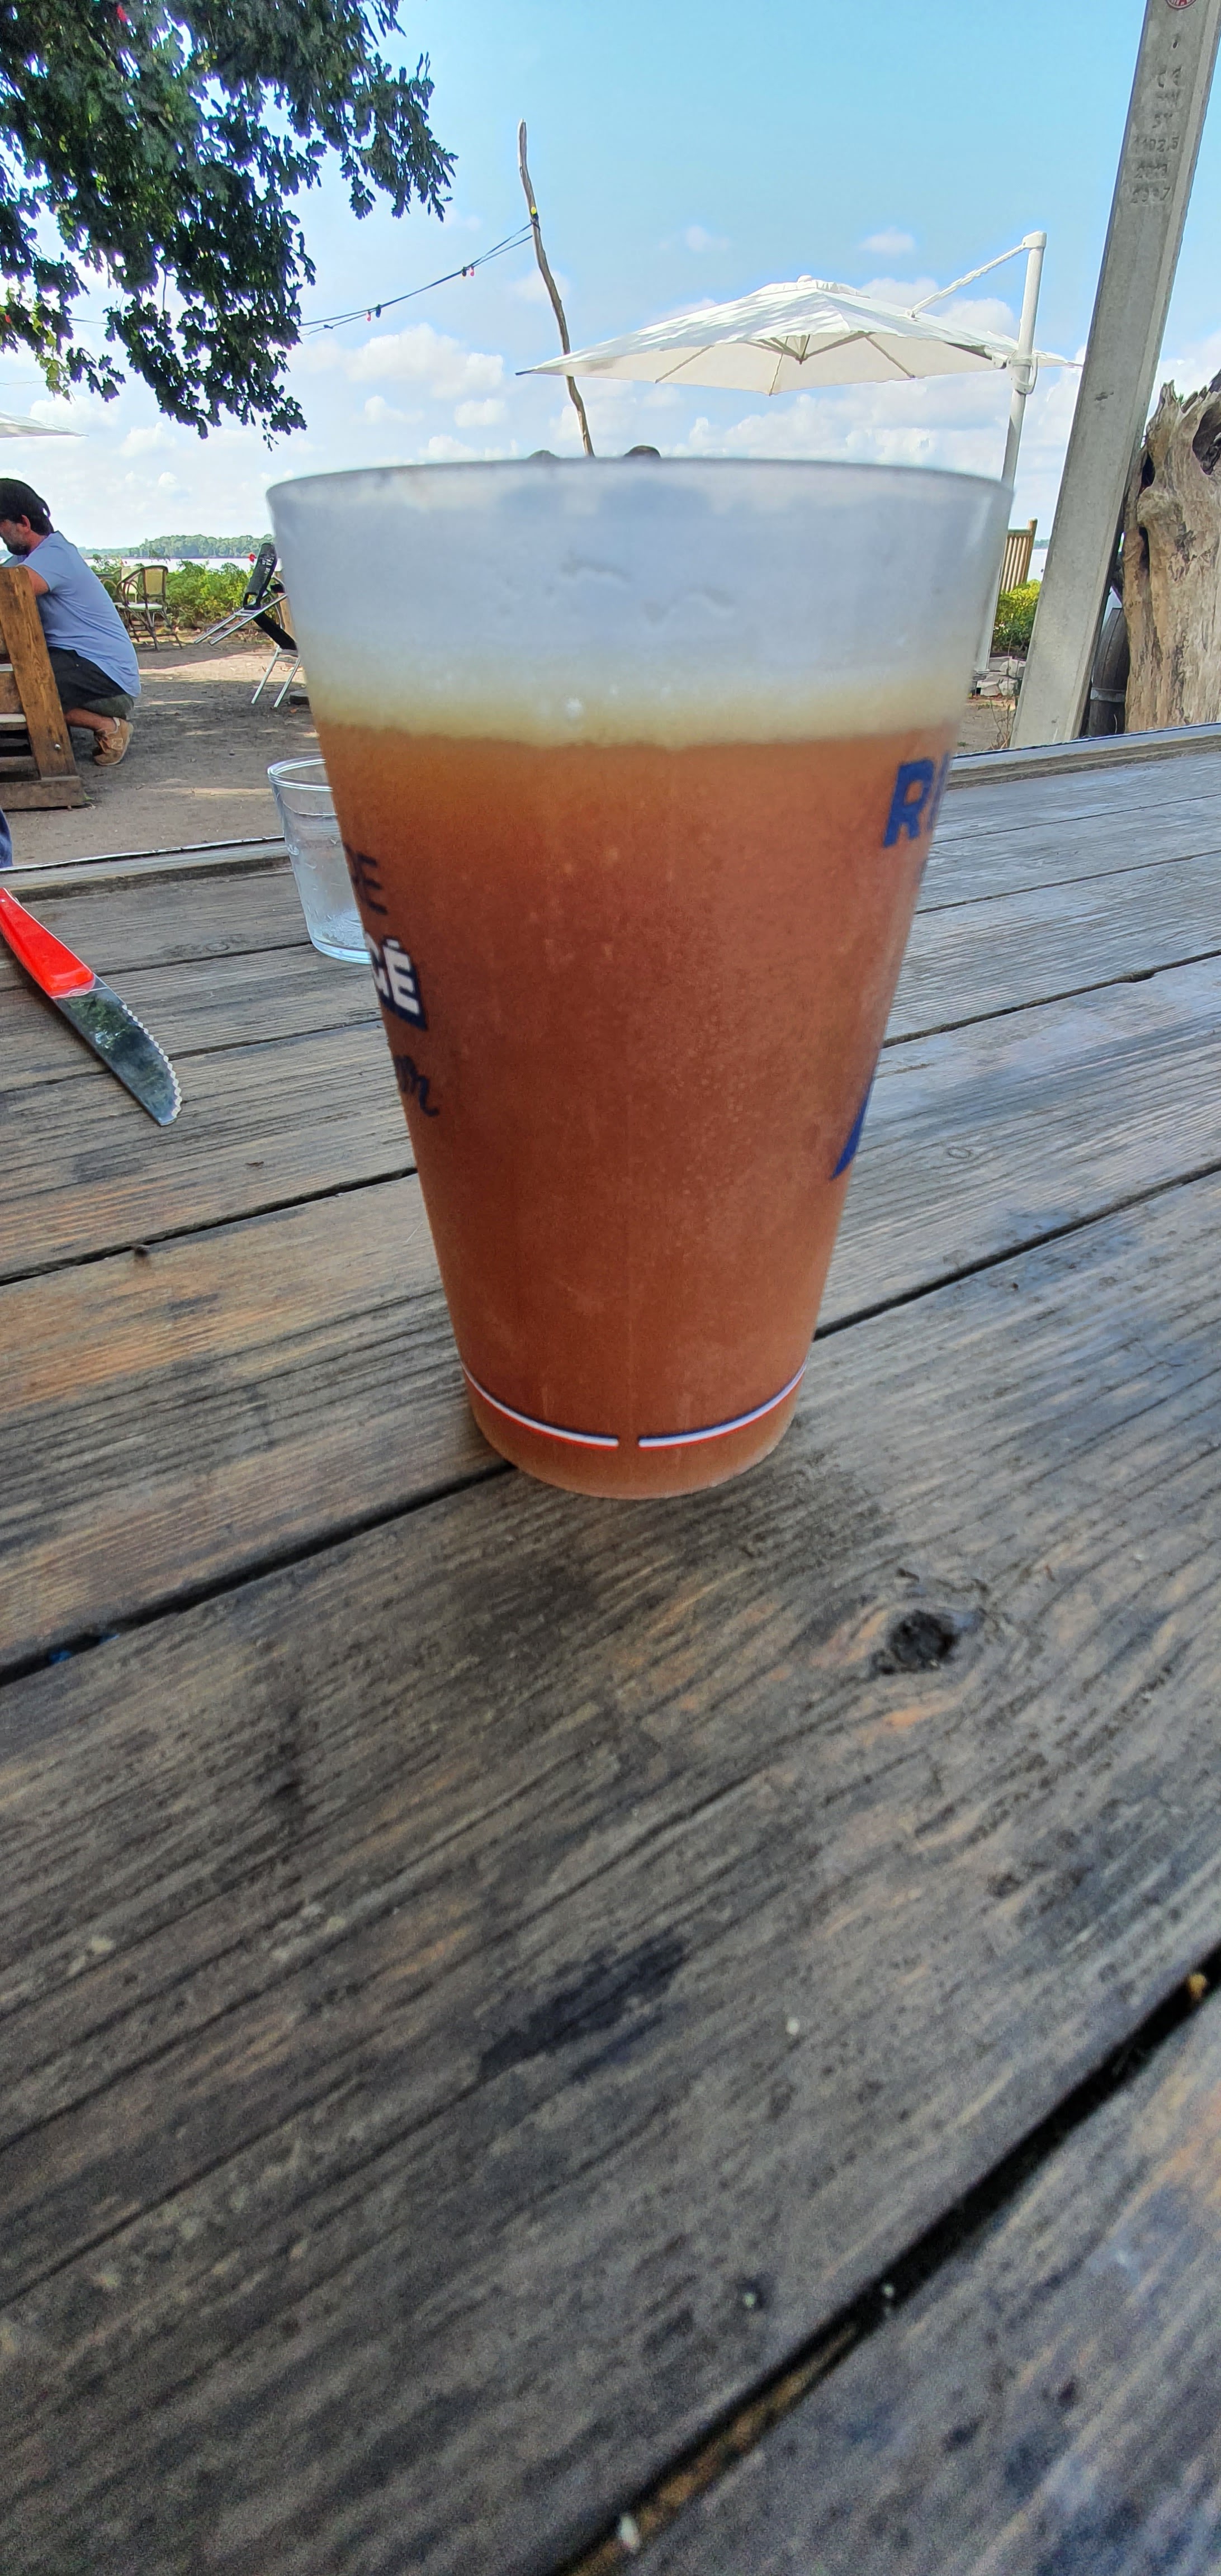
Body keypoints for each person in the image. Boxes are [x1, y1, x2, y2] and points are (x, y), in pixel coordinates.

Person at [0, 479, 140, 767]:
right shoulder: (29, 558)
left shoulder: (54, 556)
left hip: (108, 680)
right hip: (81, 665)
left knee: (16, 686)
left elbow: (9, 593)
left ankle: (109, 727)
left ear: (23, 523)